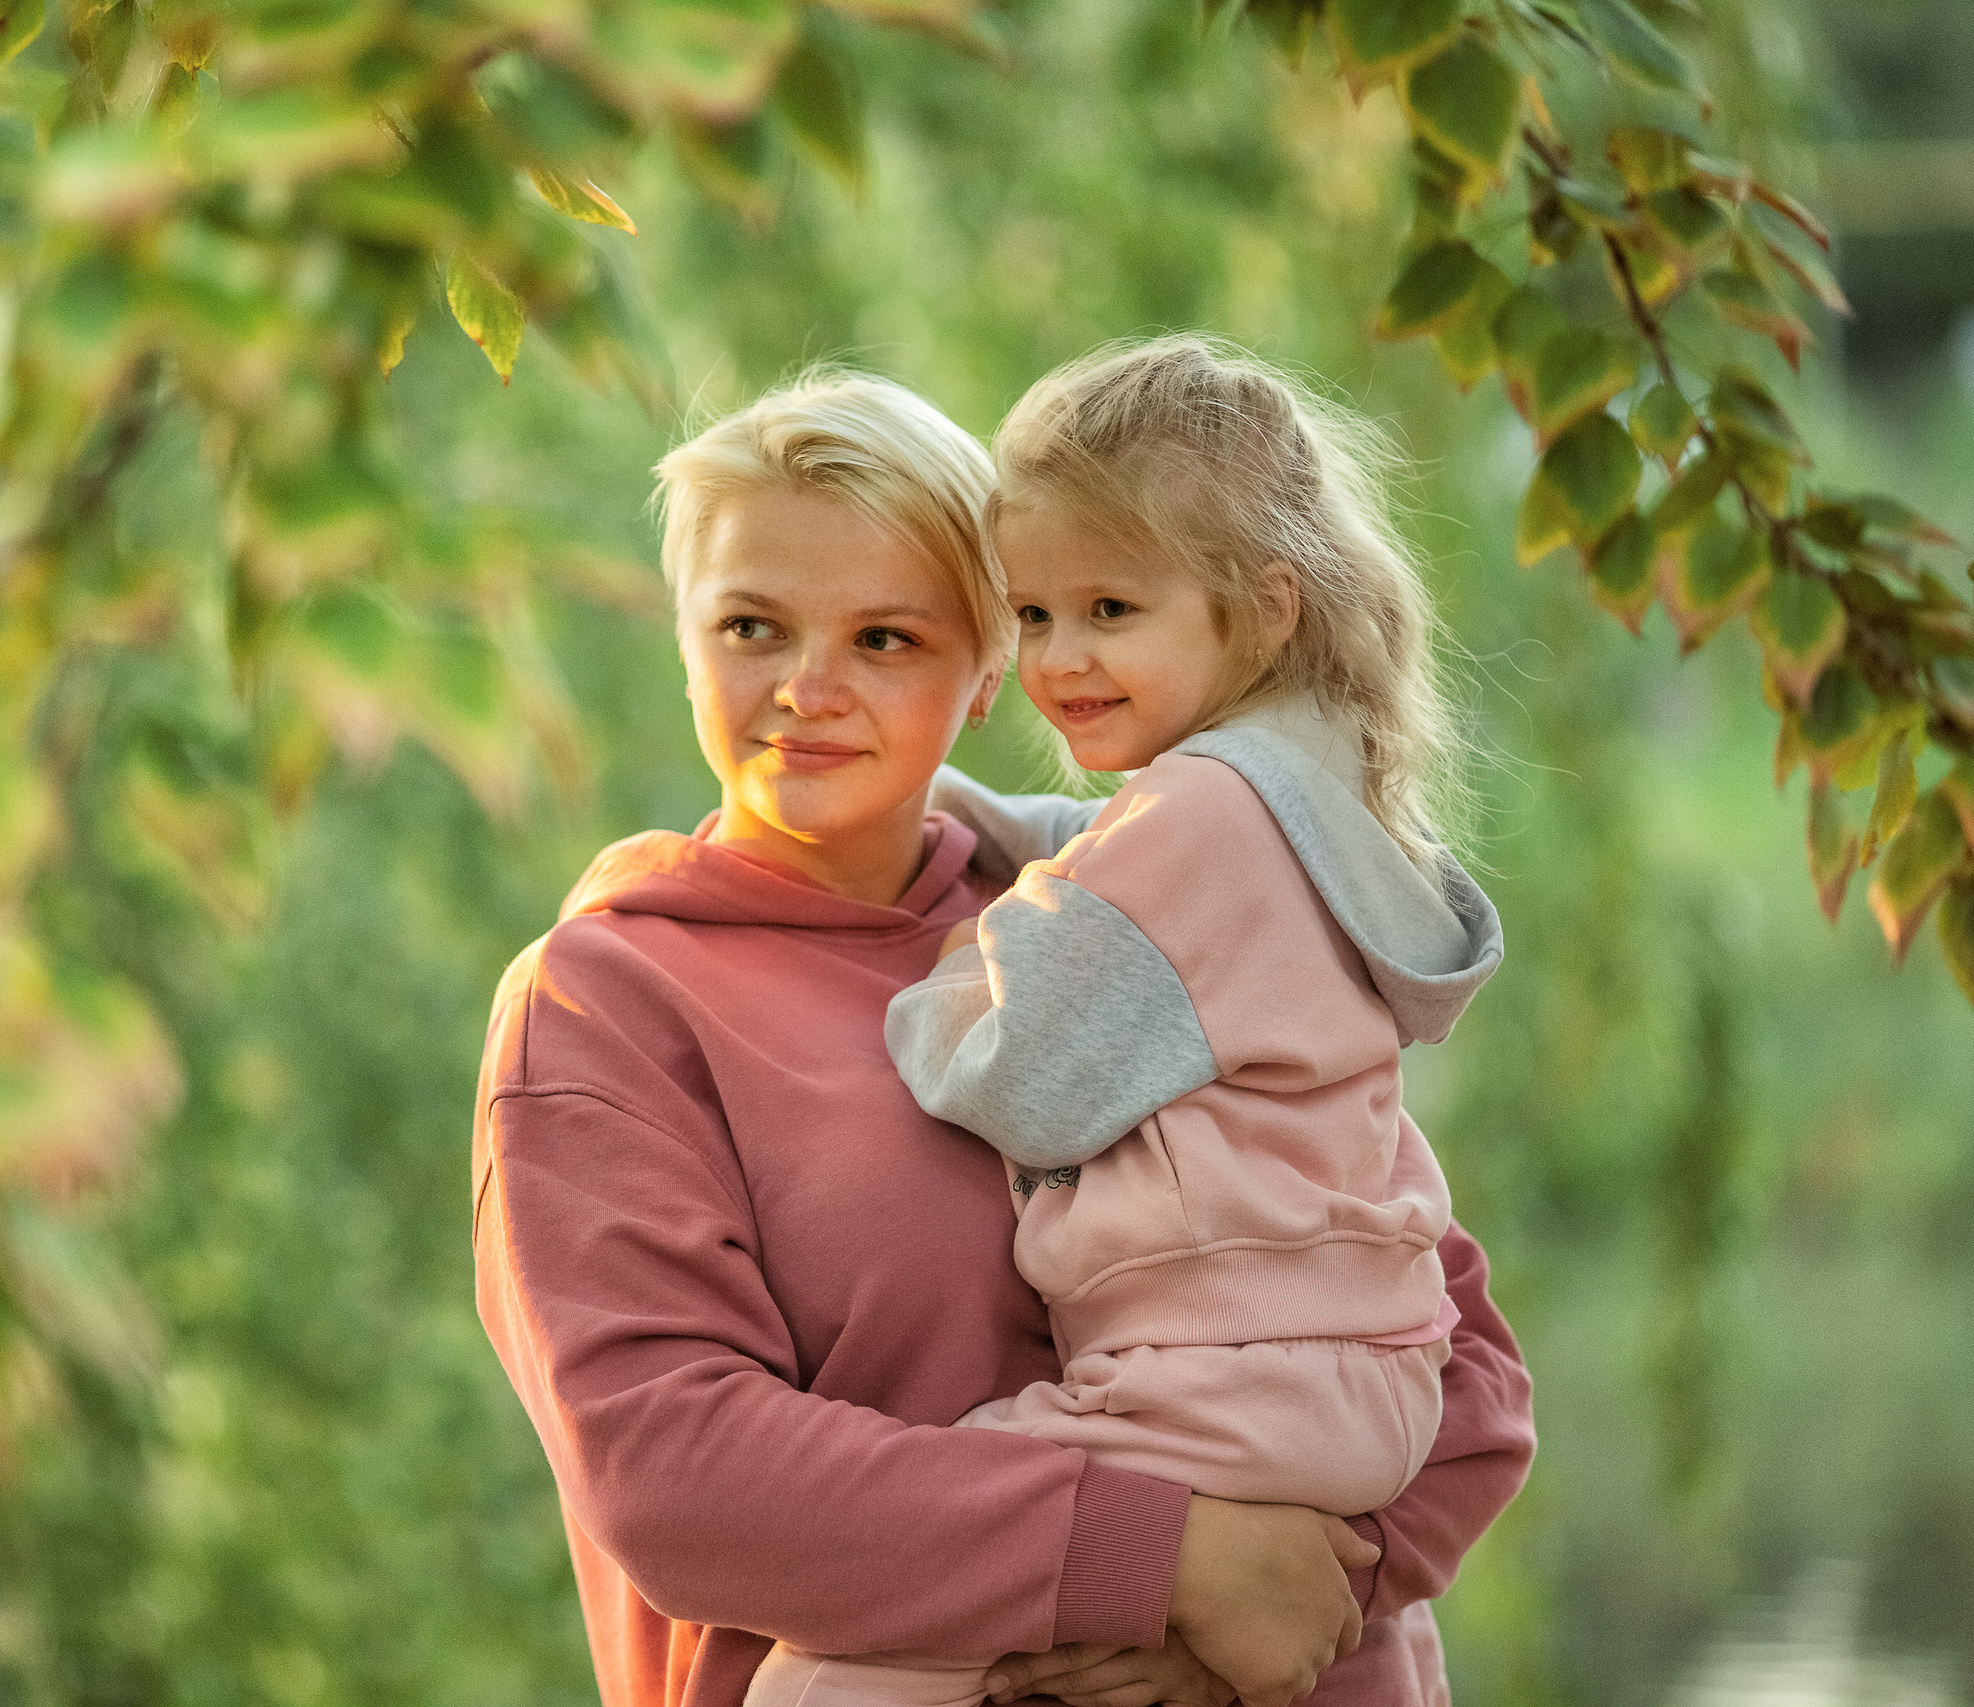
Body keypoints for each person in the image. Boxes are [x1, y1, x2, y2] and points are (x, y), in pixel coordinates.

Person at [471, 367, 1533, 1707]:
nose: (808, 687)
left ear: (991, 670)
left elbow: (1457, 1355)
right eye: (751, 626)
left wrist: (1302, 1602)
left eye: (886, 639)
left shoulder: (1117, 919)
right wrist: (1165, 1562)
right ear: (683, 641)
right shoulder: (606, 1002)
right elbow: (680, 1476)